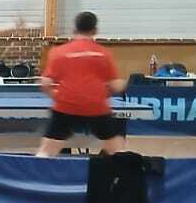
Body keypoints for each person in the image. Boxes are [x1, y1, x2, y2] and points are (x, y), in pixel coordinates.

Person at [36, 11, 128, 158]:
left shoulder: (59, 52)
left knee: (46, 151)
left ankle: (40, 166)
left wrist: (57, 97)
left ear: (74, 30)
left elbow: (45, 83)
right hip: (96, 107)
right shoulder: (103, 53)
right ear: (95, 30)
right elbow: (115, 85)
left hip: (65, 106)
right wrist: (119, 86)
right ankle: (124, 168)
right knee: (116, 149)